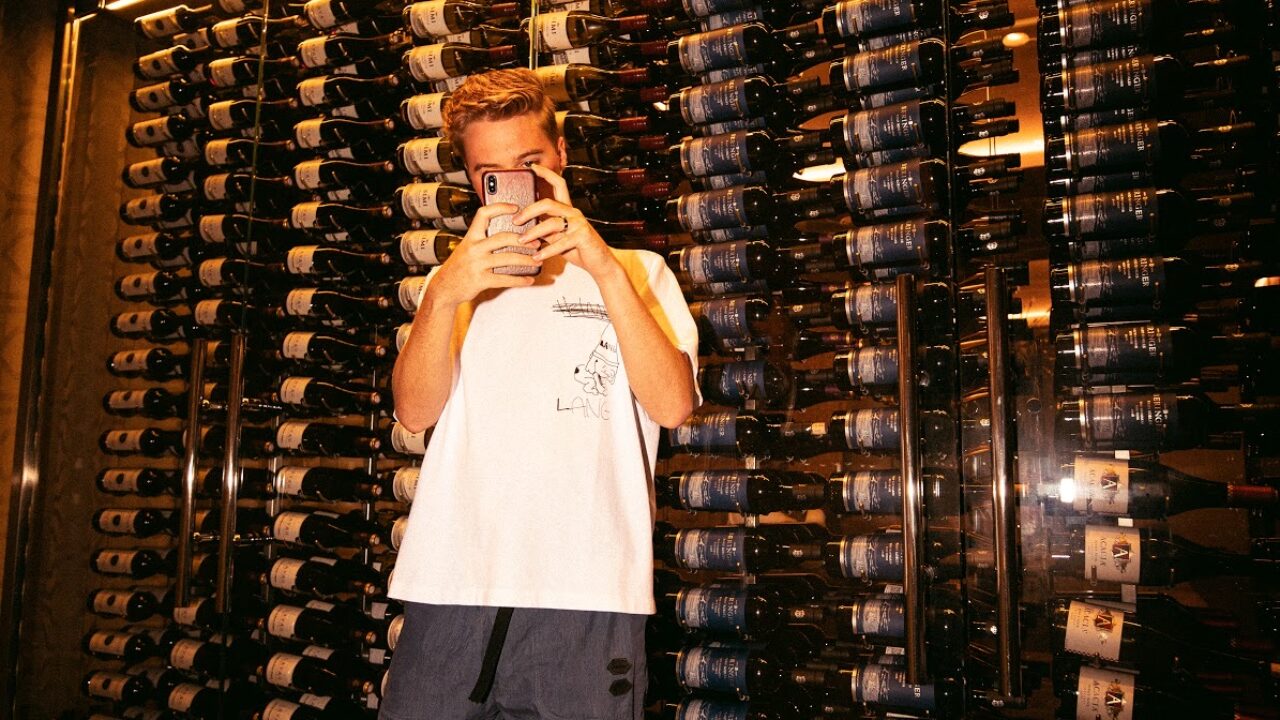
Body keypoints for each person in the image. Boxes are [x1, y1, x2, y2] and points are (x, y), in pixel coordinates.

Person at [381, 68, 701, 720]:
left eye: (529, 162)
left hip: (587, 590)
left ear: (560, 155)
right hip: (451, 581)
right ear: (472, 181)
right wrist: (444, 295)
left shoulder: (638, 271)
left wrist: (600, 265)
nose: (515, 185)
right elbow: (413, 413)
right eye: (491, 173)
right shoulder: (453, 282)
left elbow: (673, 405)